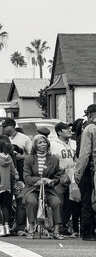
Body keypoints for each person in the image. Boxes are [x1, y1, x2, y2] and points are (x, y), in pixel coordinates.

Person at [22, 134, 64, 239]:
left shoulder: (54, 160)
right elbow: (26, 177)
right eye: (40, 142)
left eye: (45, 142)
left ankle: (56, 231)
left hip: (48, 189)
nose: (43, 144)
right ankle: (31, 229)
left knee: (57, 202)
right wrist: (40, 180)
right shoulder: (28, 159)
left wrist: (51, 181)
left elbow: (58, 176)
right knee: (32, 202)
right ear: (35, 145)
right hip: (33, 189)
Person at [1, 117, 31, 237]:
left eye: (5, 127)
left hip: (20, 173)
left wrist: (19, 157)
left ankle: (20, 227)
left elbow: (30, 155)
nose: (2, 129)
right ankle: (7, 226)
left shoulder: (24, 139)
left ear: (12, 126)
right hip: (4, 175)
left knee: (20, 201)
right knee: (6, 201)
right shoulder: (2, 139)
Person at [50, 121, 80, 237]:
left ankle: (66, 224)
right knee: (59, 202)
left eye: (69, 128)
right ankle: (59, 225)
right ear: (59, 132)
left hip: (73, 177)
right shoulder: (53, 144)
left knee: (71, 202)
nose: (69, 130)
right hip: (59, 176)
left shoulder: (74, 143)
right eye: (66, 129)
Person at [74, 103, 96, 241]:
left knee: (88, 201)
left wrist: (78, 172)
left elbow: (84, 154)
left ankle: (88, 232)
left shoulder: (90, 129)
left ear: (89, 114)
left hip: (91, 169)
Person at [0, 141, 18, 237]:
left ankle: (0, 228)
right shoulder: (9, 157)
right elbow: (13, 171)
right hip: (7, 185)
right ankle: (7, 228)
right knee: (4, 206)